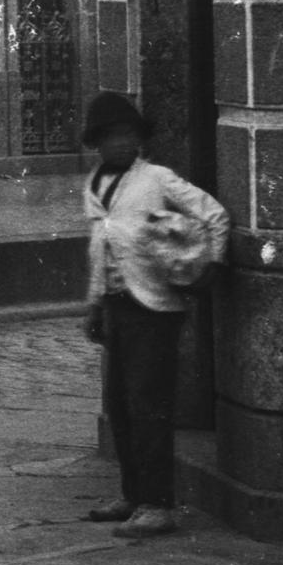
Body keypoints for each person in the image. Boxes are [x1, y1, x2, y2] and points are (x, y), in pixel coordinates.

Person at [79, 90, 226, 533]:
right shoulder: (95, 185)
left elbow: (214, 214)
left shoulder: (158, 179)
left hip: (156, 307)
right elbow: (99, 250)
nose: (123, 144)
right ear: (99, 143)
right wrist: (94, 304)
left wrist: (210, 264)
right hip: (117, 306)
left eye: (129, 135)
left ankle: (158, 504)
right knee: (120, 406)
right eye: (113, 136)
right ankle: (132, 494)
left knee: (149, 405)